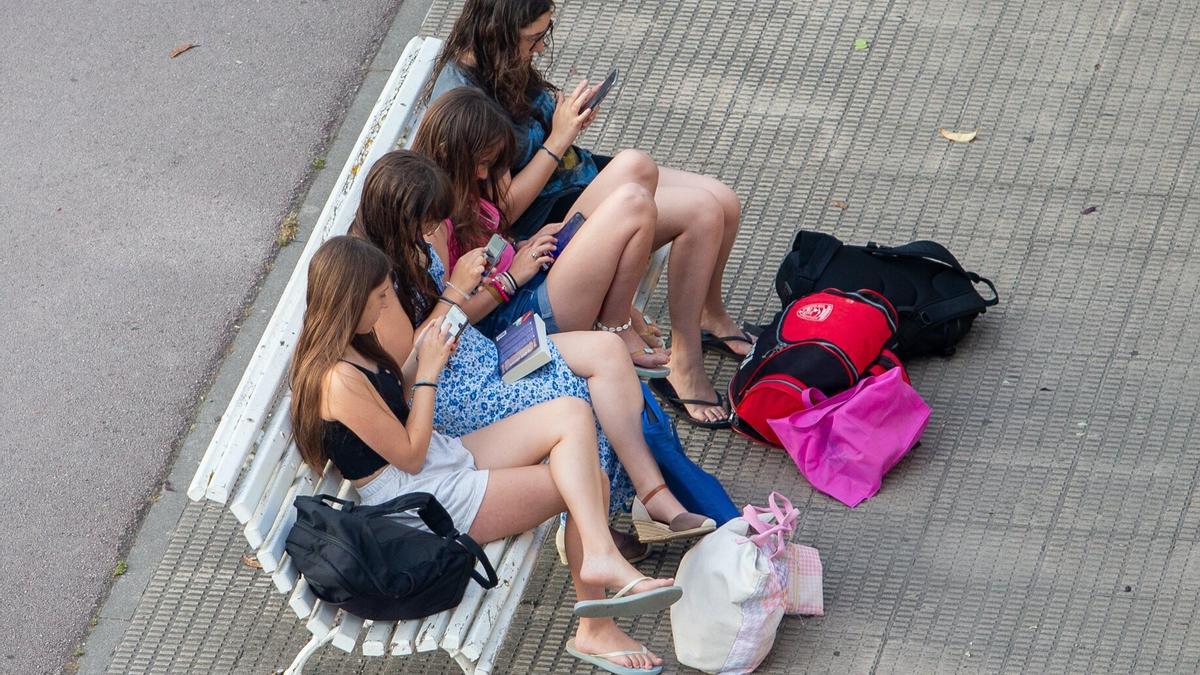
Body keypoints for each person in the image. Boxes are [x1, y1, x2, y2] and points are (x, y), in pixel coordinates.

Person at [288, 235, 678, 672]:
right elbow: (410, 456)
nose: (384, 306)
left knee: (571, 413)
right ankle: (596, 625)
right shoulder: (336, 381)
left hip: (434, 458)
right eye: (379, 297)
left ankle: (601, 557)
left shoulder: (352, 346)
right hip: (419, 498)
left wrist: (426, 355)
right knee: (592, 484)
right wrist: (429, 374)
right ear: (348, 300)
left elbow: (394, 397)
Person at [352, 150, 717, 546]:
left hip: (486, 356)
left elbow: (457, 316)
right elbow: (409, 365)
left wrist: (496, 281)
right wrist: (456, 290)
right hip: (454, 395)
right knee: (577, 393)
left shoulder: (414, 246)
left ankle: (653, 498)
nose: (433, 232)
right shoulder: (376, 280)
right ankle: (587, 526)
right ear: (398, 218)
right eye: (426, 224)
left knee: (608, 351)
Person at [427, 0, 753, 428]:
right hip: (548, 211)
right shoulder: (464, 98)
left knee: (723, 200)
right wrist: (558, 139)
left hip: (570, 182)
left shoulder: (498, 58)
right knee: (703, 212)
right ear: (499, 29)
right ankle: (683, 362)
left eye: (545, 33)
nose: (541, 48)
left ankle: (709, 315)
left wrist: (562, 118)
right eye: (534, 38)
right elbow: (500, 212)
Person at [412, 87, 668, 375]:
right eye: (482, 163)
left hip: (530, 276)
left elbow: (485, 248)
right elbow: (448, 320)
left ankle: (613, 315)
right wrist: (509, 279)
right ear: (449, 152)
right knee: (635, 204)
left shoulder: (460, 186)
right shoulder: (432, 225)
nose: (484, 174)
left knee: (636, 166)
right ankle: (616, 325)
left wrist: (521, 245)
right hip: (517, 320)